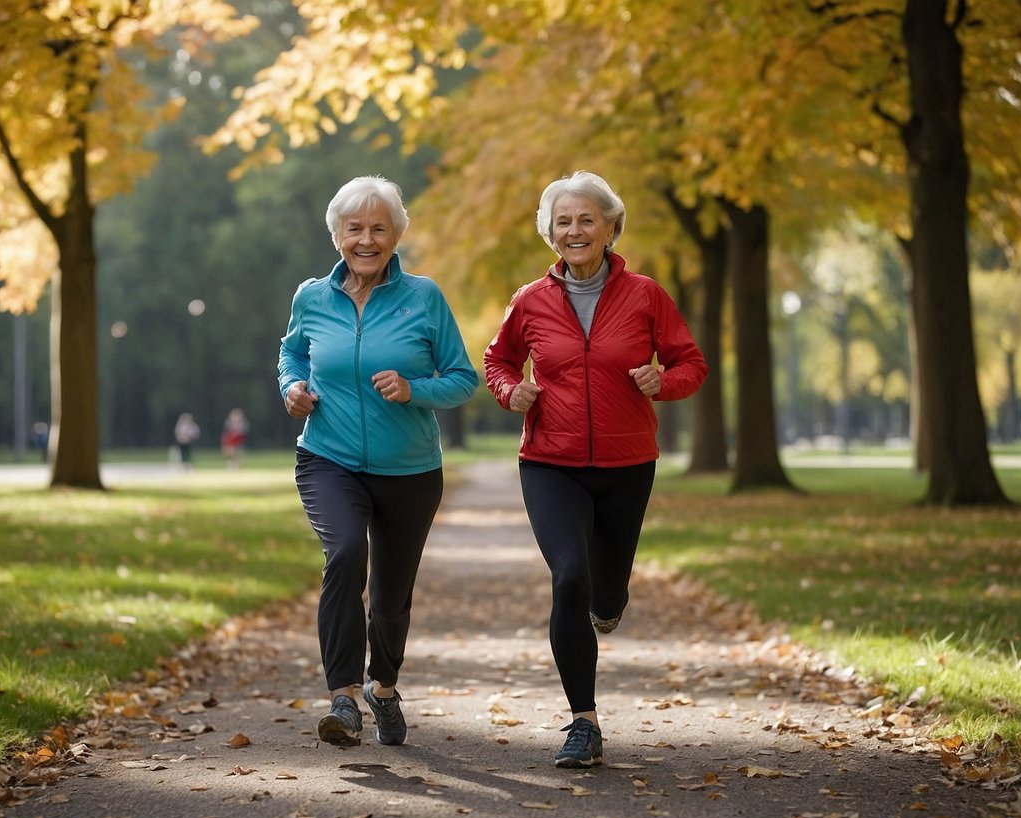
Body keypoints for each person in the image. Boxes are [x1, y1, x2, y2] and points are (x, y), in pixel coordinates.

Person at [483, 171, 709, 769]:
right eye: (564, 221)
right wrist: (512, 391)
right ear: (550, 233)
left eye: (587, 219)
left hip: (627, 463)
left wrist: (664, 381)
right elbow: (498, 359)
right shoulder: (530, 300)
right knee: (569, 577)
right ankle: (583, 721)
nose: (575, 230)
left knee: (606, 591)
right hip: (550, 463)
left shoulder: (646, 296)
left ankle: (609, 603)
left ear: (611, 227)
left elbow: (691, 362)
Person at [279, 174, 479, 748]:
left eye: (378, 229)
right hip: (328, 456)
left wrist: (414, 389)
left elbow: (463, 378)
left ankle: (382, 686)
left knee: (391, 596)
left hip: (410, 469)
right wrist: (292, 386)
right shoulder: (312, 297)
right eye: (354, 229)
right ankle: (343, 698)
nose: (365, 240)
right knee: (344, 554)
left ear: (396, 235)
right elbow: (292, 351)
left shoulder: (424, 297)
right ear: (337, 233)